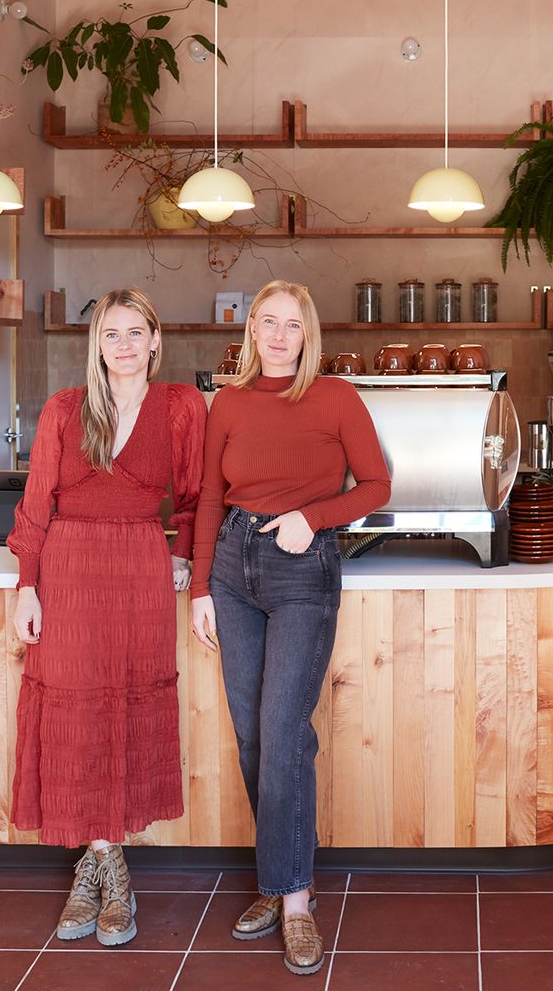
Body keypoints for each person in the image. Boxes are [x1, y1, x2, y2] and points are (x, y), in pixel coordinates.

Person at [189, 280, 391, 976]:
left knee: (283, 737)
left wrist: (314, 517)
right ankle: (280, 881)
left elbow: (376, 485)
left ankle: (296, 903)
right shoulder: (229, 401)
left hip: (303, 569)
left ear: (309, 336)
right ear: (250, 331)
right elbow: (210, 496)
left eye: (290, 325)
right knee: (252, 736)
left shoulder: (336, 398)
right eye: (266, 323)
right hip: (233, 573)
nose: (277, 336)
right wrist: (199, 587)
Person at [7, 288, 204, 948]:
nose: (122, 345)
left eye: (133, 333)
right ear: (97, 346)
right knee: (77, 715)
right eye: (110, 334)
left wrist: (181, 555)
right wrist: (25, 585)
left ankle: (93, 874)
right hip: (68, 573)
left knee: (124, 711)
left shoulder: (181, 407)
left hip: (140, 573)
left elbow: (198, 498)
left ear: (155, 341)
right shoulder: (64, 410)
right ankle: (110, 870)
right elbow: (35, 508)